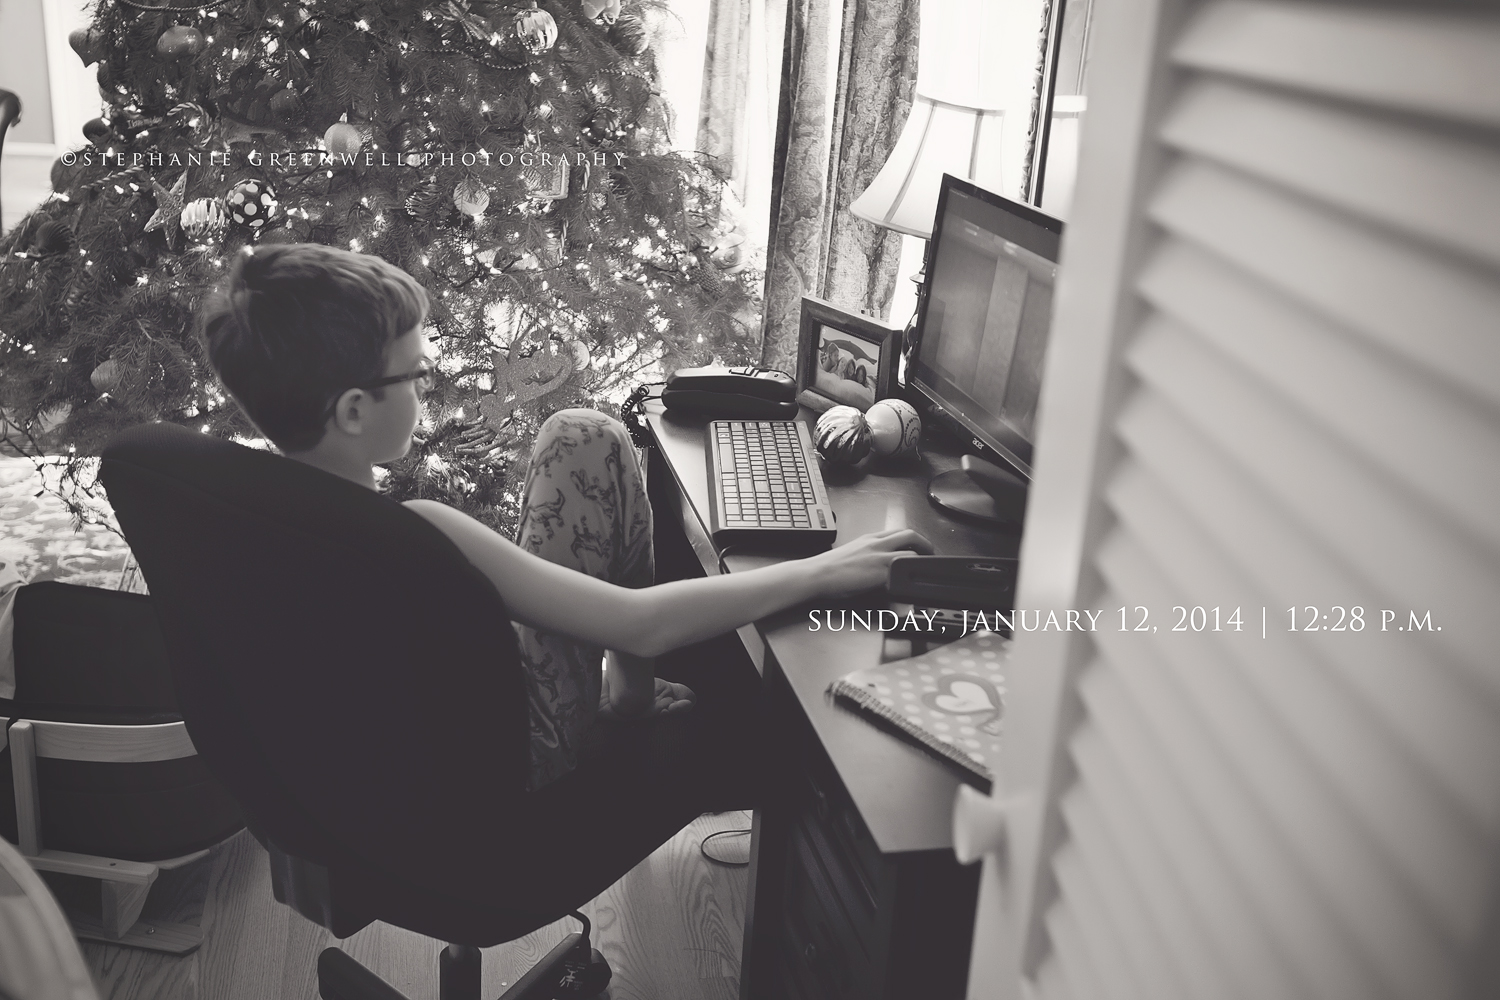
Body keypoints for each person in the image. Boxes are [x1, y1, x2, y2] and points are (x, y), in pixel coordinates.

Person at [199, 243, 931, 792]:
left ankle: (632, 696)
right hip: (512, 751)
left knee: (581, 432)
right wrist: (824, 570)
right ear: (354, 410)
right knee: (588, 436)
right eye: (414, 375)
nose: (426, 387)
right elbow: (641, 624)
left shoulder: (258, 509)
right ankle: (632, 703)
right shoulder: (413, 531)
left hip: (423, 735)